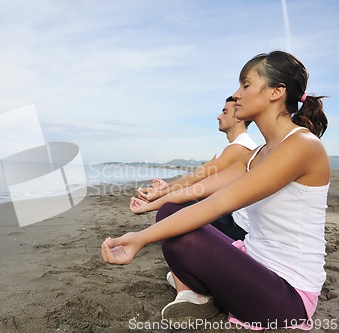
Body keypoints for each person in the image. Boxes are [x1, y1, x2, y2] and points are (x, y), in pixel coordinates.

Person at [101, 51, 329, 329]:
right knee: (171, 214)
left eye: (245, 85)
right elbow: (200, 188)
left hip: (288, 294)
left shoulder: (302, 145)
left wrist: (139, 238)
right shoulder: (258, 153)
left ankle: (202, 292)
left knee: (180, 236)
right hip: (255, 263)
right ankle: (204, 293)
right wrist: (154, 203)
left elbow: (218, 202)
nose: (237, 95)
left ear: (276, 91)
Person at [133, 97, 257, 241]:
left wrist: (157, 197)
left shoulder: (240, 147)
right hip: (230, 215)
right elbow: (196, 175)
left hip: (239, 227)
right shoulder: (230, 148)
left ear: (239, 117)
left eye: (224, 112)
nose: (218, 116)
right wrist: (165, 188)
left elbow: (197, 179)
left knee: (172, 208)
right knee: (179, 203)